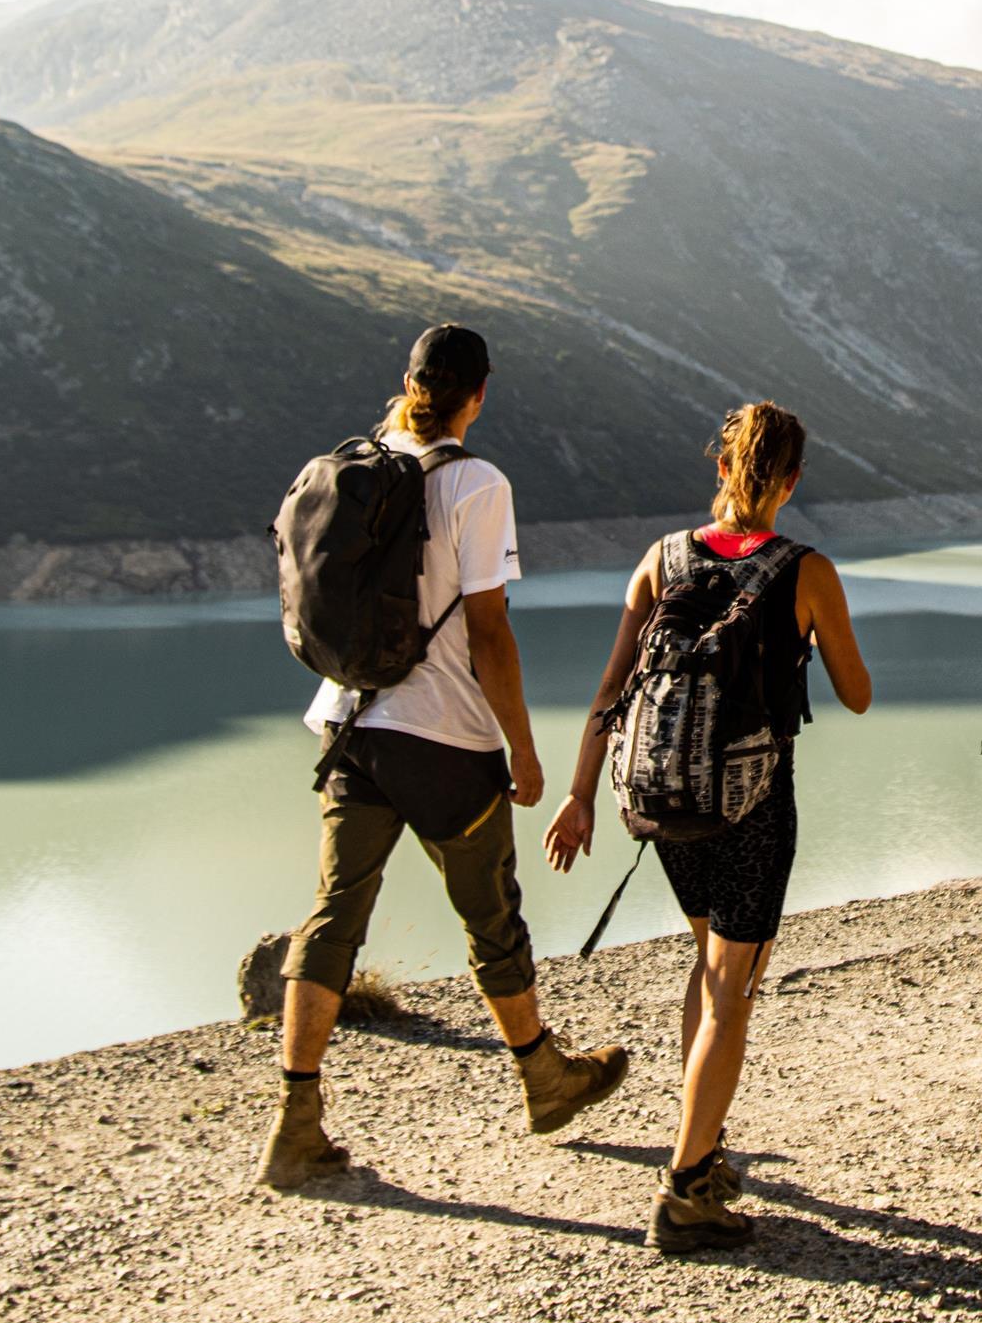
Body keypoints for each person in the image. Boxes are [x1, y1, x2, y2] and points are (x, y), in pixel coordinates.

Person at [262, 324, 628, 1189]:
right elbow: (489, 631)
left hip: (349, 722)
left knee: (334, 912)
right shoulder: (475, 483)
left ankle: (295, 1120)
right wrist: (525, 749)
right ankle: (544, 1077)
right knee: (490, 915)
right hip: (444, 736)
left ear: (409, 382)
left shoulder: (357, 470)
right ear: (480, 392)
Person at [548, 403, 873, 1256]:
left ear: (720, 467)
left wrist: (581, 796)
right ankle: (688, 1186)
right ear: (793, 481)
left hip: (662, 804)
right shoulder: (806, 570)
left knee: (707, 965)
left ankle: (704, 1142)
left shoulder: (661, 559)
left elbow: (611, 688)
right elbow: (859, 691)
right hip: (753, 807)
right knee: (734, 989)